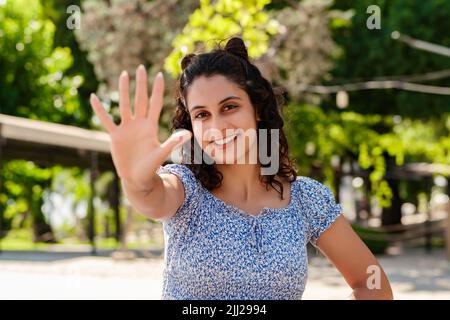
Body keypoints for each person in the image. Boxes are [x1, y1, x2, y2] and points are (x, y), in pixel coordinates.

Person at [89, 37, 393, 300]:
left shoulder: (306, 199)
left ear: (257, 109)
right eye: (202, 114)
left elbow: (373, 284)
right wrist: (134, 181)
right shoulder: (183, 189)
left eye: (229, 107)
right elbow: (151, 197)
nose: (217, 126)